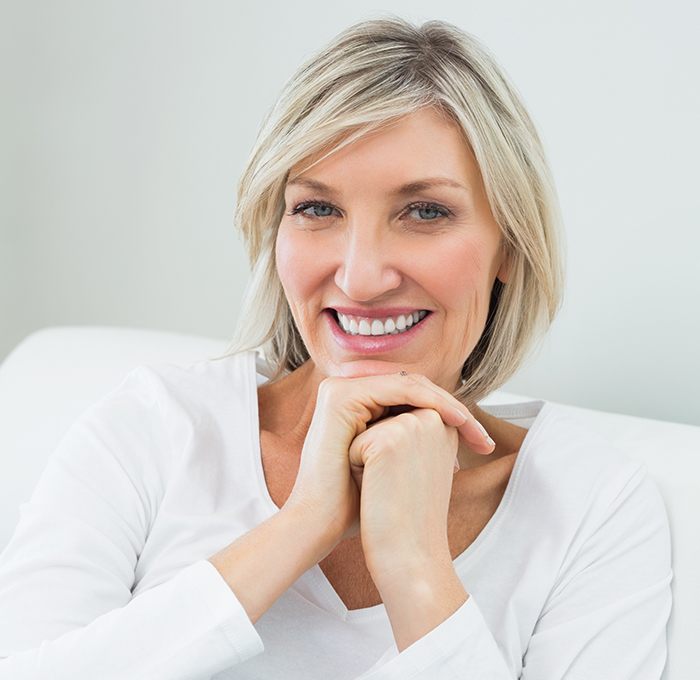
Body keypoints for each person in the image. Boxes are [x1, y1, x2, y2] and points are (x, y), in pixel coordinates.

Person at [0, 15, 672, 680]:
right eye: (318, 209)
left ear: (510, 247)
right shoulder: (154, 428)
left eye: (426, 212)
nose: (360, 276)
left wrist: (415, 567)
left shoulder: (589, 504)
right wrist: (301, 526)